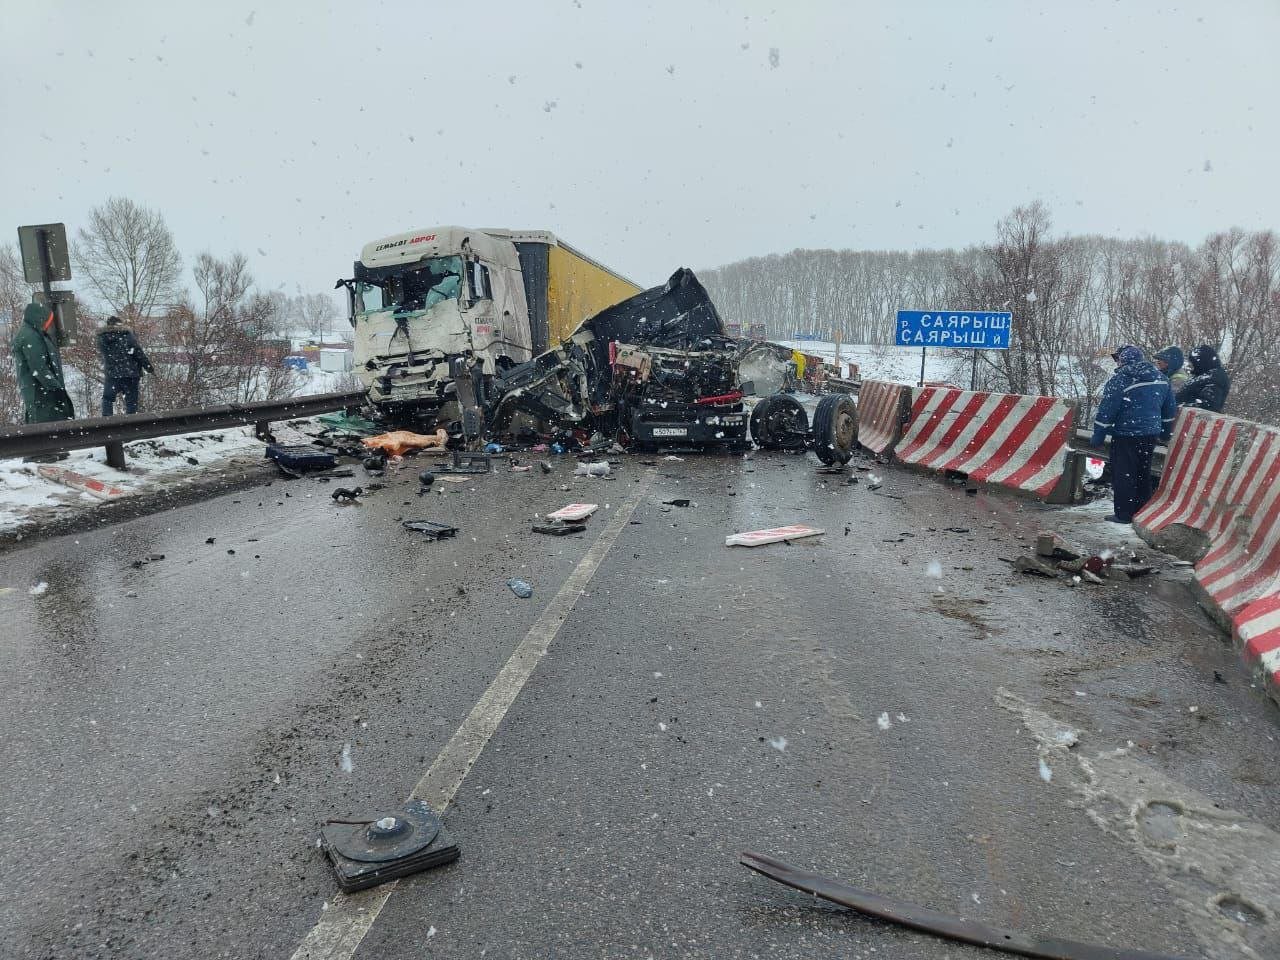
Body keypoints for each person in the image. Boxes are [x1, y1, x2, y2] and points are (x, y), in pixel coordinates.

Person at [1091, 345, 1175, 524]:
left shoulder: (1121, 379)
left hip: (1126, 434)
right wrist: (1166, 432)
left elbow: (1107, 410)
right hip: (1150, 434)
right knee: (1142, 473)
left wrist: (1098, 434)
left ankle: (1124, 515)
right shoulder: (1161, 379)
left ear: (1123, 361)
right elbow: (1169, 410)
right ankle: (1141, 512)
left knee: (1124, 474)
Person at [11, 302, 75, 425]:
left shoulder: (31, 333)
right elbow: (39, 368)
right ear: (39, 318)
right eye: (47, 321)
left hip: (39, 394)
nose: (47, 325)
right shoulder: (30, 336)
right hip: (42, 395)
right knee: (50, 432)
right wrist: (56, 389)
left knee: (46, 431)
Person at [97, 315, 154, 416]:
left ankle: (106, 422)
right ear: (120, 324)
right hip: (130, 373)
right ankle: (131, 424)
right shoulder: (127, 335)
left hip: (112, 374)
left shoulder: (102, 338)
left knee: (107, 398)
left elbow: (104, 354)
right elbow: (138, 352)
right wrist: (149, 367)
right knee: (131, 401)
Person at [1175, 344, 1231, 413]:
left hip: (1192, 420)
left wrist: (1179, 406)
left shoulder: (1214, 378)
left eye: (1193, 362)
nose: (1191, 365)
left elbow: (1207, 406)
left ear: (1202, 362)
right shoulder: (1203, 375)